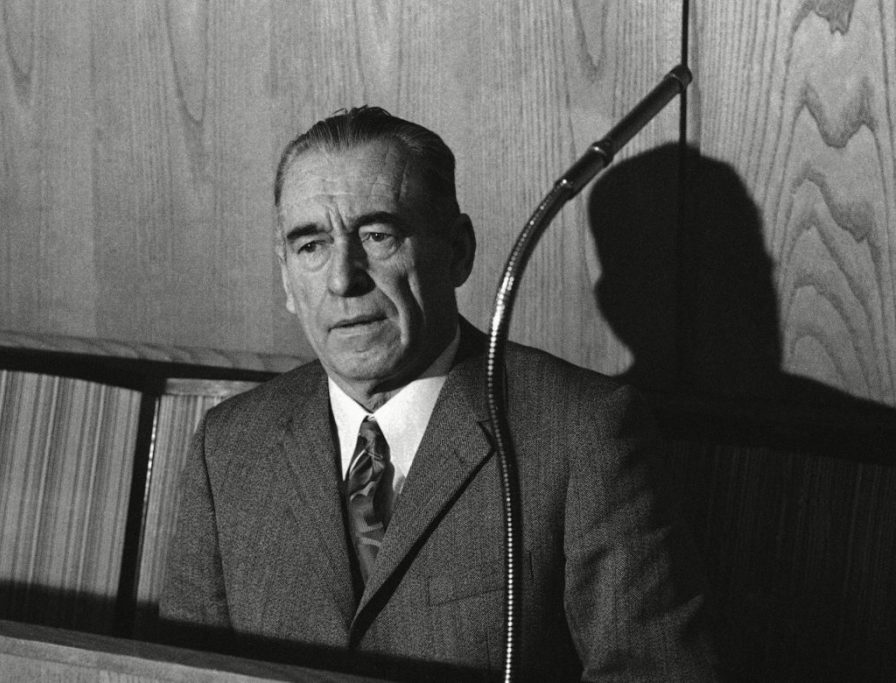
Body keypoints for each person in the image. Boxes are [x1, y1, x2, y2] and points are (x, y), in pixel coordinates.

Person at [160, 107, 719, 680]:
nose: (342, 278)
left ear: (457, 251)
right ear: (285, 277)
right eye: (311, 246)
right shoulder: (228, 449)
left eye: (377, 236)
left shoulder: (583, 433)